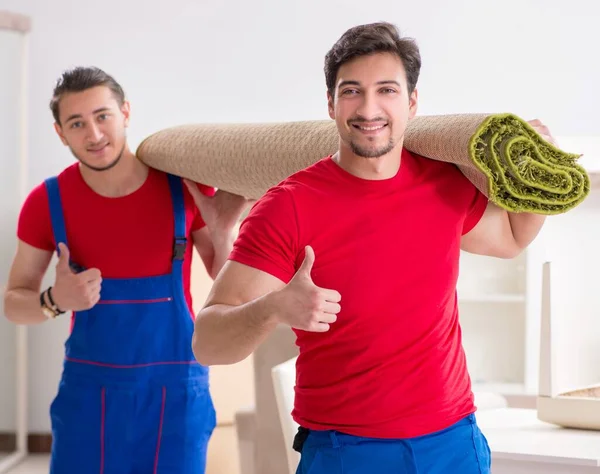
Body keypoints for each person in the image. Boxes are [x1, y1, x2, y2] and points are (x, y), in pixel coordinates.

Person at [187, 22, 554, 474]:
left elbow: (514, 237)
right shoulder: (289, 207)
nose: (369, 108)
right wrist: (275, 308)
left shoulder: (444, 182)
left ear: (412, 102)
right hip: (348, 453)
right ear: (330, 103)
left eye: (387, 90)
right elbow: (207, 342)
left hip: (453, 444)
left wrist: (540, 168)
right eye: (351, 91)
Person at [2, 66, 251, 474]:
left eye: (103, 116)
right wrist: (54, 301)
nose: (94, 135)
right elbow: (14, 303)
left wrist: (224, 234)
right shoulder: (48, 202)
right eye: (77, 123)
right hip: (88, 398)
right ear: (61, 133)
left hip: (177, 396)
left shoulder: (182, 188)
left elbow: (233, 292)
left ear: (126, 113)